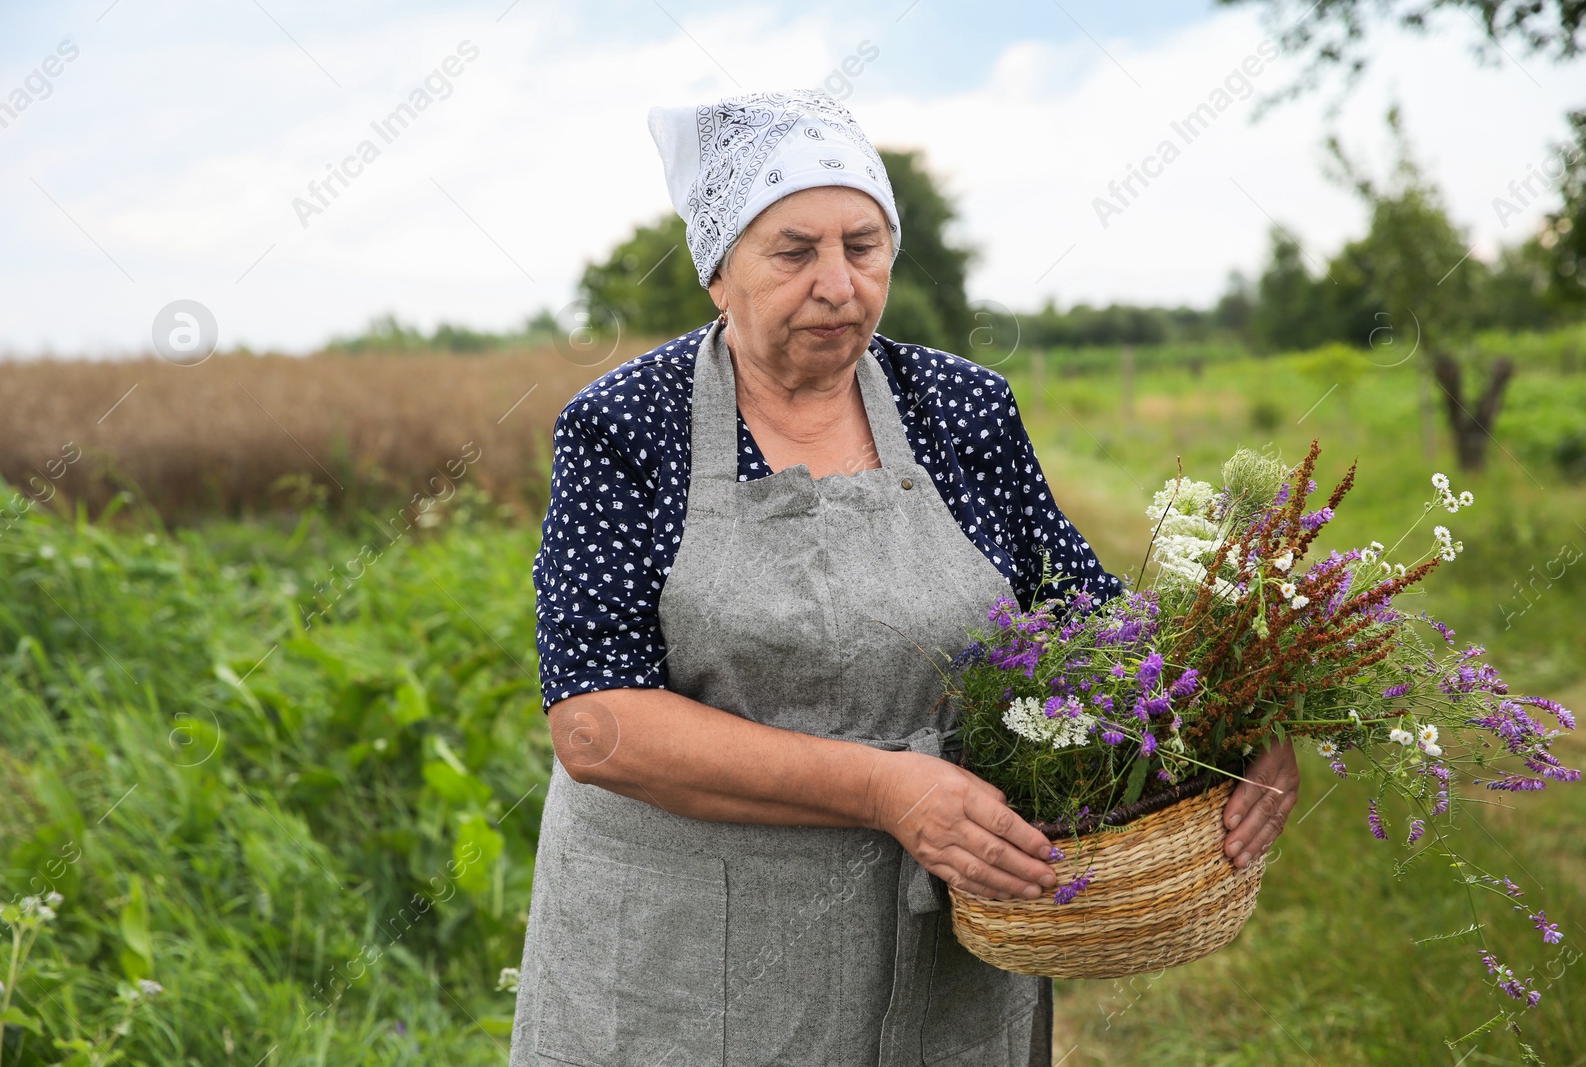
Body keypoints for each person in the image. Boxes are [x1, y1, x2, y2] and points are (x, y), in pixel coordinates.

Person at [506, 89, 1299, 1067]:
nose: (838, 285)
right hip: (689, 954)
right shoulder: (628, 425)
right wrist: (885, 786)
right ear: (718, 270)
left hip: (943, 953)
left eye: (864, 244)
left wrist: (1234, 726)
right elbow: (596, 723)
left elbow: (1088, 622)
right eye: (794, 251)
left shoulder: (960, 408)